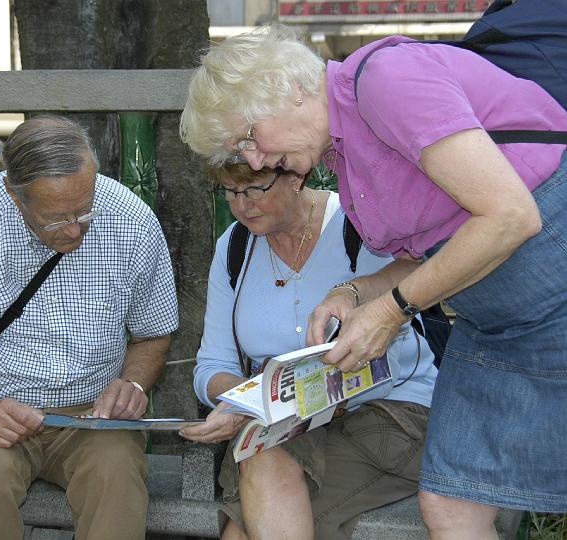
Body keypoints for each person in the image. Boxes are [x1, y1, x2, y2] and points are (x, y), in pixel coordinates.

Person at [180, 25, 567, 537]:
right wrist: (357, 292)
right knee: (452, 502)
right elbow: (434, 254)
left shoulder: (385, 80)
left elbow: (511, 217)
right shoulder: (345, 158)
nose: (253, 161)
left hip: (552, 287)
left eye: (248, 139)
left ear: (285, 87)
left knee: (454, 501)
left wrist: (391, 311)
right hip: (494, 318)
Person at [0, 115, 178, 540]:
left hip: (92, 415)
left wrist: (134, 385)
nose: (75, 229)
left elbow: (153, 333)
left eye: (85, 210)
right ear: (15, 194)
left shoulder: (130, 220)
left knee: (116, 475)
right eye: (55, 218)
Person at [180, 163, 437, 540]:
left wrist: (284, 404)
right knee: (265, 469)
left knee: (249, 517)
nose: (242, 205)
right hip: (287, 427)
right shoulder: (234, 246)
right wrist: (243, 402)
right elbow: (212, 367)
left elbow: (387, 360)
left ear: (296, 176)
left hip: (390, 411)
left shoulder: (359, 228)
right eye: (230, 192)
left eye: (254, 188)